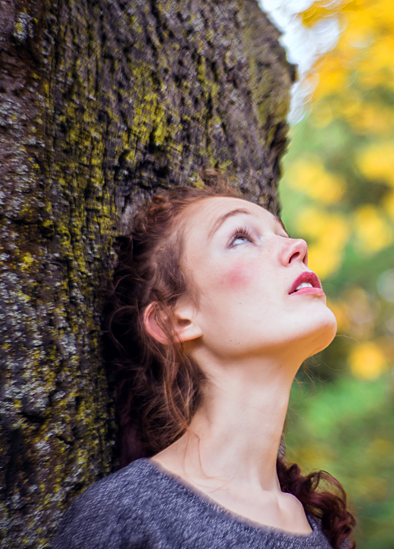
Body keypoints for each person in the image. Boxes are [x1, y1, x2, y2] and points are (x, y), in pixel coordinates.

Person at [53, 176, 356, 549]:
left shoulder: (317, 532)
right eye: (241, 237)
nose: (298, 246)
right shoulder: (125, 516)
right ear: (176, 320)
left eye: (282, 233)